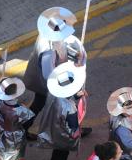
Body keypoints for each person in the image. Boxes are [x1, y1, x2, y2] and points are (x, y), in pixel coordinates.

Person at [23, 7, 85, 135]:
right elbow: (49, 75)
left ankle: (24, 127)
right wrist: (69, 81)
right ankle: (73, 129)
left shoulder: (48, 35)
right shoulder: (48, 52)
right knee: (67, 106)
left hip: (40, 80)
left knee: (37, 104)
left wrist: (74, 53)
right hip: (49, 84)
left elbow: (61, 46)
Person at [38, 61, 87, 160]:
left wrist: (76, 96)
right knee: (63, 153)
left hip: (55, 128)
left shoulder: (54, 93)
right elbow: (73, 125)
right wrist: (76, 134)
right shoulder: (69, 108)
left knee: (57, 148)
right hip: (64, 134)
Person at [0, 76, 35, 160]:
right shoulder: (21, 109)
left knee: (0, 147)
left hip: (1, 129)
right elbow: (28, 122)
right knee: (13, 151)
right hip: (15, 134)